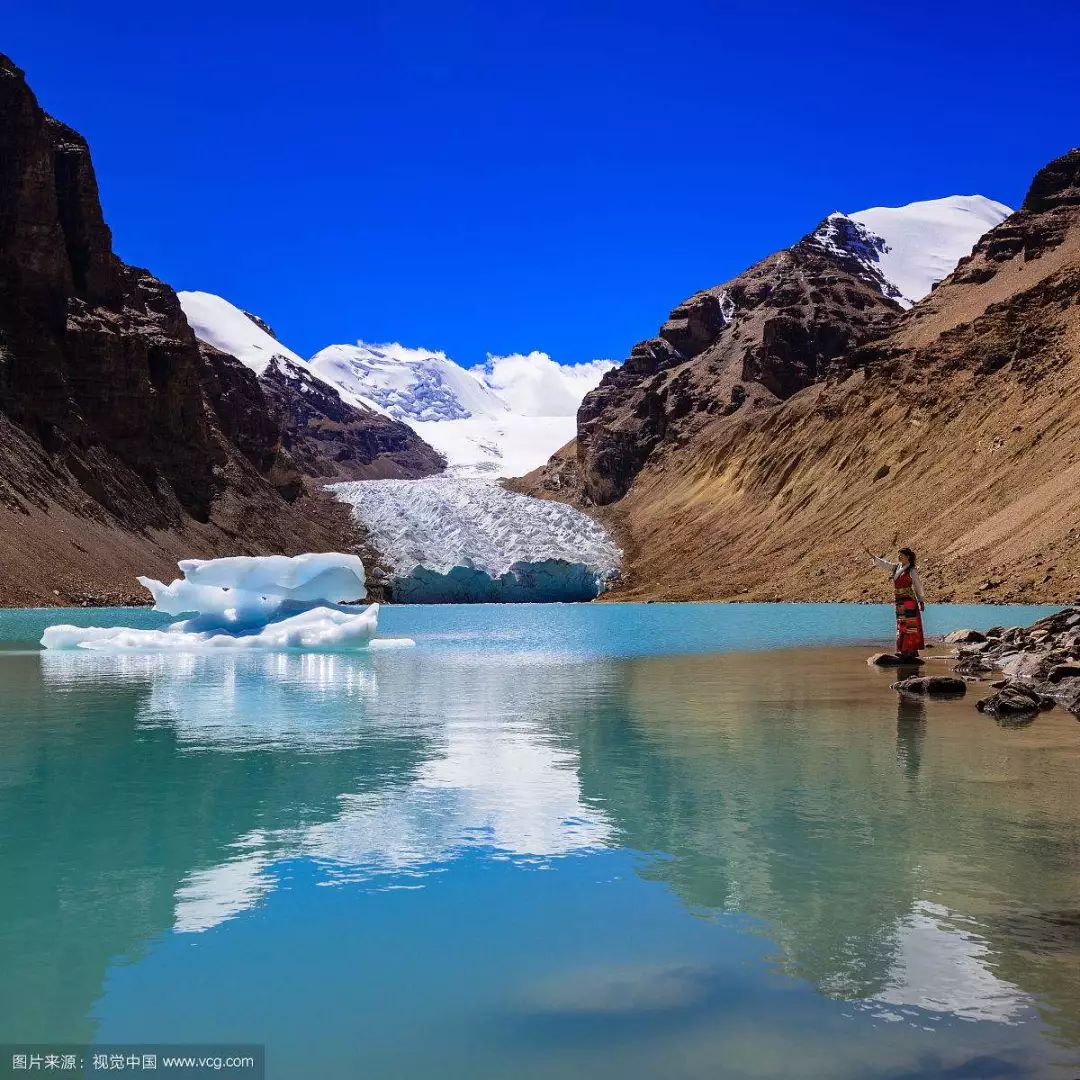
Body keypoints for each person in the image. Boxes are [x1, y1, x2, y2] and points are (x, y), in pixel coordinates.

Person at [865, 545, 926, 658]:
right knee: (902, 624)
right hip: (899, 601)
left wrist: (921, 600)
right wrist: (871, 555)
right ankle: (904, 649)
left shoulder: (911, 570)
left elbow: (917, 585)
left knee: (910, 625)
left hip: (909, 601)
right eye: (898, 554)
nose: (898, 556)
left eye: (901, 555)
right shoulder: (896, 568)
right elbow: (885, 564)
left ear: (907, 557)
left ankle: (910, 649)